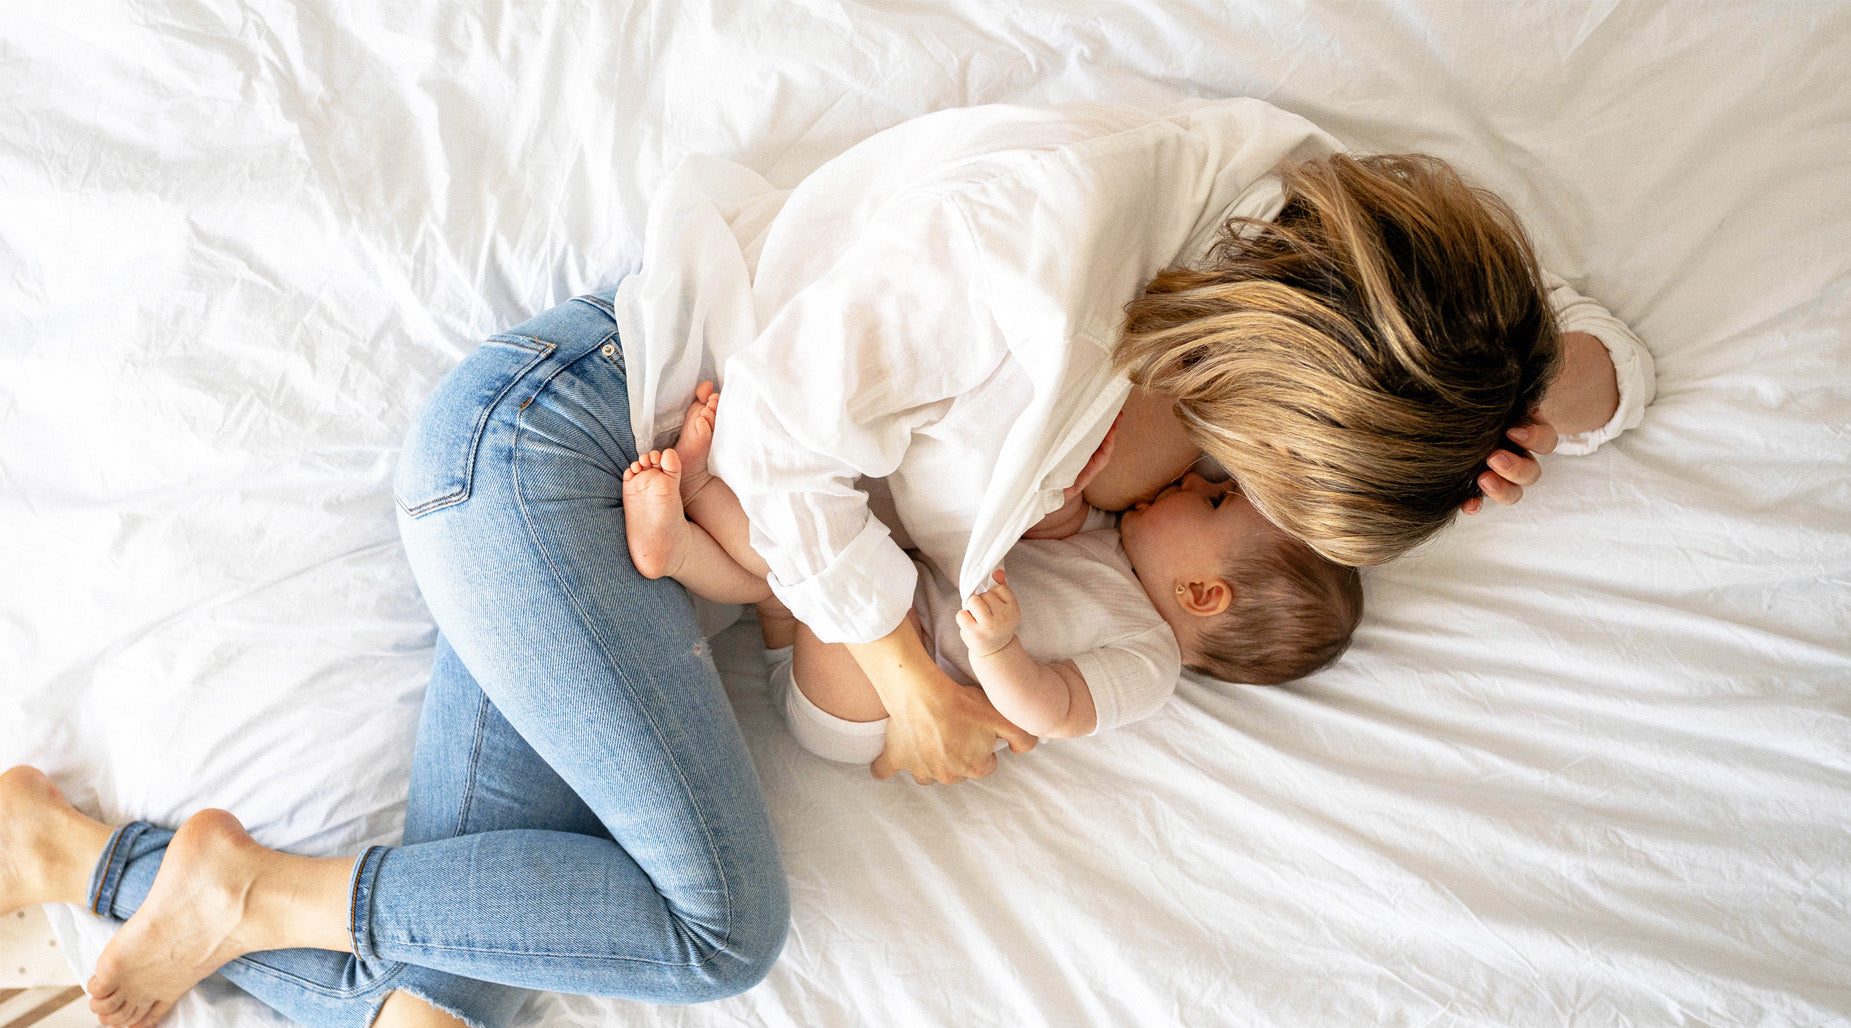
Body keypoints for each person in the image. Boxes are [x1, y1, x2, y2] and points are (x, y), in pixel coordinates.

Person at [1, 98, 1652, 1028]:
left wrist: (1530, 401)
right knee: (717, 928)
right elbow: (781, 444)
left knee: (451, 1012)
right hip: (569, 449)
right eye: (1272, 472)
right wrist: (922, 685)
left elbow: (1607, 359)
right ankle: (230, 887)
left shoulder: (1321, 299)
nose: (1245, 494)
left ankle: (77, 857)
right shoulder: (1039, 246)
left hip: (645, 536)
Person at [620, 387, 1362, 762]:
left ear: (1202, 593)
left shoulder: (1148, 663)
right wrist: (1061, 503)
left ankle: (698, 500)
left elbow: (1053, 709)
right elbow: (1045, 538)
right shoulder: (1115, 544)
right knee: (783, 586)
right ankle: (681, 545)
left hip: (873, 715)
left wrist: (1002, 651)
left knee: (814, 579)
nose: (1189, 483)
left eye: (1208, 500)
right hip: (881, 644)